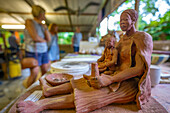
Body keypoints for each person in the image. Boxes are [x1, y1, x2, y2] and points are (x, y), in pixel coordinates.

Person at [16, 9, 153, 113]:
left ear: (133, 21)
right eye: (121, 20)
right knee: (85, 81)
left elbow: (140, 69)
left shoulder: (143, 38)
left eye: (126, 20)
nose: (122, 23)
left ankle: (41, 104)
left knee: (92, 94)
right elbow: (112, 59)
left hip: (129, 83)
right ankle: (50, 91)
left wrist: (110, 80)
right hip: (114, 76)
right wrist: (101, 67)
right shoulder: (121, 39)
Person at [23, 5, 51, 88]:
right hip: (33, 50)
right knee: (34, 72)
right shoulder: (29, 21)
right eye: (43, 14)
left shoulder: (42, 25)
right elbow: (35, 37)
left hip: (43, 50)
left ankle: (44, 88)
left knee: (45, 70)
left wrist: (45, 28)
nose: (45, 16)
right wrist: (43, 40)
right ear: (39, 14)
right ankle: (27, 93)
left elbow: (48, 39)